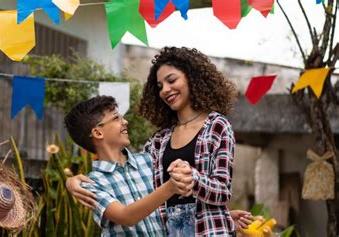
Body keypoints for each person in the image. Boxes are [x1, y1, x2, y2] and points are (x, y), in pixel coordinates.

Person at [67, 47, 253, 236]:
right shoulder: (157, 142)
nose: (165, 90)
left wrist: (221, 215)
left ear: (192, 77)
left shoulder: (216, 126)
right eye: (159, 86)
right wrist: (71, 182)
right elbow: (151, 208)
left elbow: (221, 191)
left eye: (171, 80)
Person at [64, 95, 186, 236]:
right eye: (116, 118)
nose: (125, 122)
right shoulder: (91, 184)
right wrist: (170, 187)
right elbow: (126, 216)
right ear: (97, 132)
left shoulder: (150, 160)